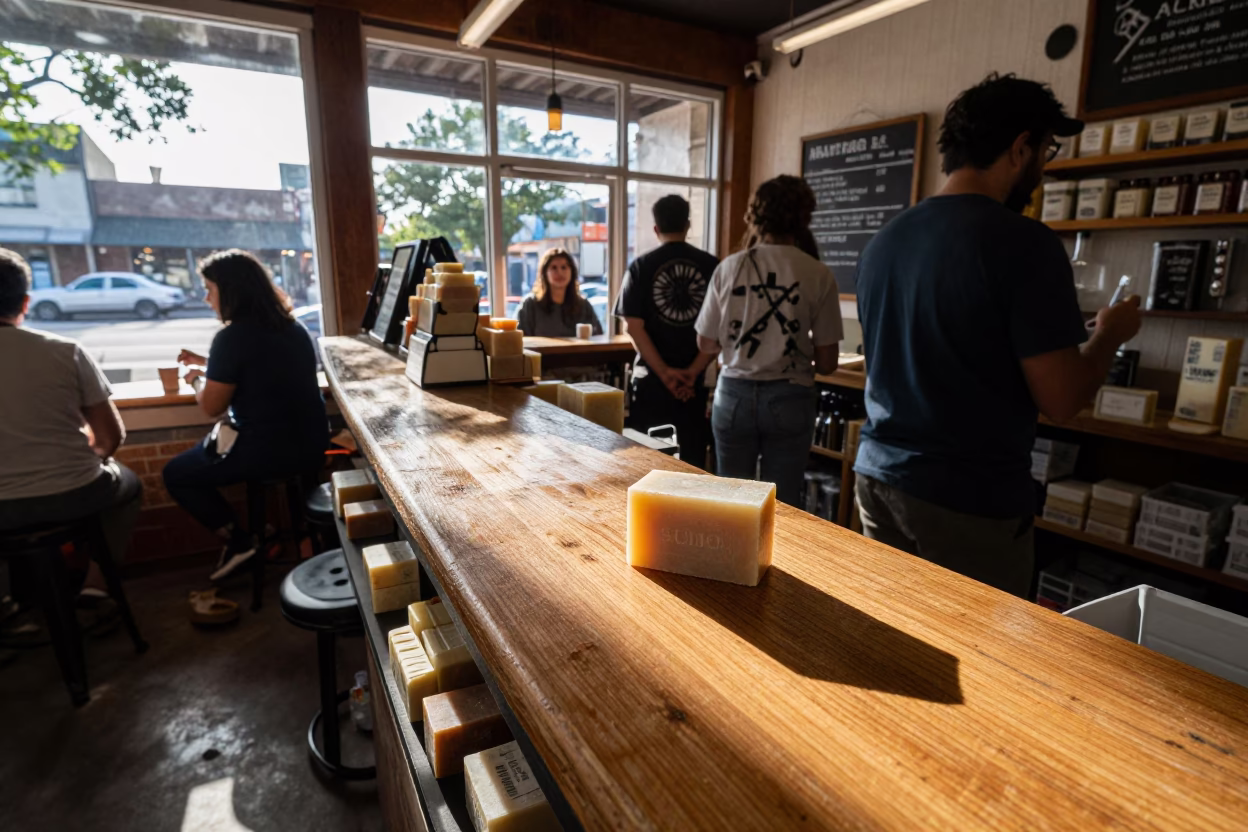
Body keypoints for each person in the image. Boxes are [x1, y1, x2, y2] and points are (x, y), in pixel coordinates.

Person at [853, 73, 1142, 597]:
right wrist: (1110, 336)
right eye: (1046, 149)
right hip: (967, 498)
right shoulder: (1024, 245)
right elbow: (1062, 399)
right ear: (1020, 147)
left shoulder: (884, 242)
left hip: (878, 477)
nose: (1044, 166)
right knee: (982, 662)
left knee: (890, 636)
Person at [163, 249, 327, 581]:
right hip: (312, 444)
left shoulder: (231, 338)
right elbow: (258, 371)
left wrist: (195, 378)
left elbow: (211, 406)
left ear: (231, 291)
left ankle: (243, 540)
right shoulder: (292, 329)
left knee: (176, 473)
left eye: (210, 289)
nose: (207, 299)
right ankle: (269, 534)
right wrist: (209, 364)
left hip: (266, 452)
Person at [689, 175, 843, 507]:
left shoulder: (730, 267)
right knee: (784, 503)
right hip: (790, 397)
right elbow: (829, 364)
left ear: (755, 215)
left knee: (731, 503)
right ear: (805, 217)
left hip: (733, 397)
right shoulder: (817, 273)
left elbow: (705, 344)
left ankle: (729, 560)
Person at [0, 248, 141, 597]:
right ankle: (96, 584)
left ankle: (8, 603)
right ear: (25, 302)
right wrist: (88, 459)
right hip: (73, 494)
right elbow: (110, 437)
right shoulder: (64, 351)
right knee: (130, 487)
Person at [615, 195, 719, 469]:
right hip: (693, 387)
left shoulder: (640, 266)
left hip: (651, 383)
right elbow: (721, 330)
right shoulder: (713, 267)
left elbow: (633, 328)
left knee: (647, 465)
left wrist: (665, 374)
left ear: (655, 229)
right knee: (693, 467)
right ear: (688, 225)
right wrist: (691, 374)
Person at [515, 248, 603, 338]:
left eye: (564, 267)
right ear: (545, 273)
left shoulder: (584, 306)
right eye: (554, 268)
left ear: (572, 272)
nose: (560, 272)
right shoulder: (530, 305)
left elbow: (598, 338)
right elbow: (520, 340)